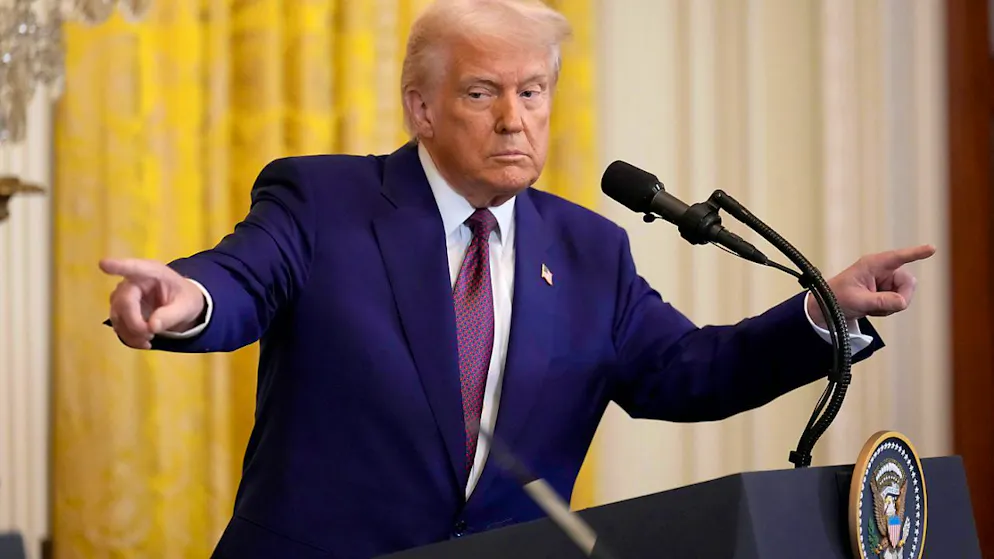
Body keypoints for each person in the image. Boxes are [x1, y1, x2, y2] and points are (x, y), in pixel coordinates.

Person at [99, 1, 933, 557]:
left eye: (533, 92)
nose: (514, 118)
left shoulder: (589, 250)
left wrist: (823, 313)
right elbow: (244, 278)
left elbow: (690, 372)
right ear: (421, 109)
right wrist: (184, 300)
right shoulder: (324, 200)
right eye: (482, 92)